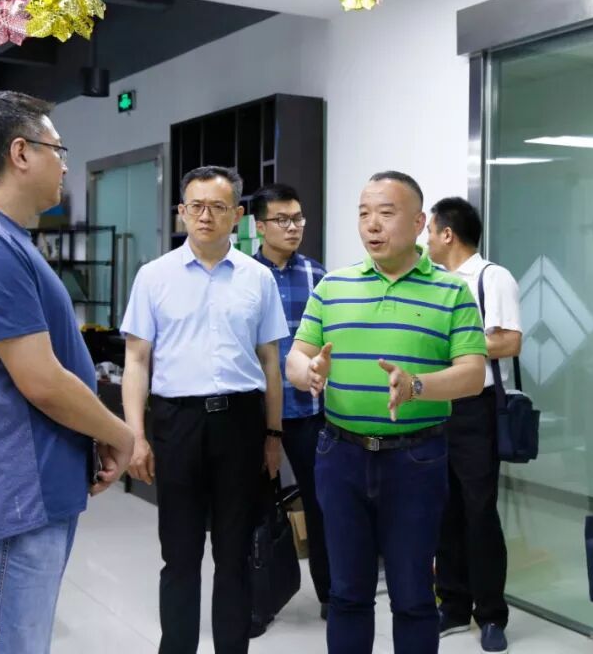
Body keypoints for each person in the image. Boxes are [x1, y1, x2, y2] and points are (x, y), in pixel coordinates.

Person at [0, 91, 134, 654]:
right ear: (20, 152)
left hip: (14, 490)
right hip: (14, 495)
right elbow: (40, 380)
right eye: (58, 150)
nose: (63, 165)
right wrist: (119, 432)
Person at [286, 171, 487, 654]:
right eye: (364, 214)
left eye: (386, 213)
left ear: (418, 222)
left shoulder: (451, 291)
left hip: (415, 459)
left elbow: (472, 374)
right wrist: (308, 372)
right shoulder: (333, 286)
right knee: (347, 593)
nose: (372, 225)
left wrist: (417, 386)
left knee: (413, 596)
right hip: (340, 455)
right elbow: (296, 355)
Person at [121, 165, 288, 654]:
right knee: (179, 553)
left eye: (218, 207)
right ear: (181, 211)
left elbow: (270, 363)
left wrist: (273, 434)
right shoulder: (154, 276)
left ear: (238, 215)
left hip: (241, 423)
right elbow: (136, 361)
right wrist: (136, 436)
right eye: (196, 206)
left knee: (235, 554)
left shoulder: (258, 278)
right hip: (177, 422)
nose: (205, 216)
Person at [425, 196, 520, 654]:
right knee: (444, 509)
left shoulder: (490, 277)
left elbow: (510, 341)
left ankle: (492, 614)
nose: (425, 240)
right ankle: (453, 605)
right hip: (436, 406)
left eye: (429, 231)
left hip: (475, 408)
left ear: (448, 234)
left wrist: (456, 347)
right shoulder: (433, 281)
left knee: (479, 511)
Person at [250, 183, 330, 623]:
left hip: (308, 413)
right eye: (282, 219)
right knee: (255, 507)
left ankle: (330, 595)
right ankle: (260, 601)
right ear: (260, 226)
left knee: (322, 504)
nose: (293, 227)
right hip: (254, 413)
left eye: (298, 218)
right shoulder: (242, 275)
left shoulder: (318, 276)